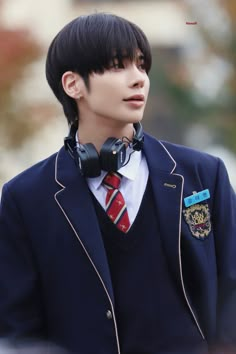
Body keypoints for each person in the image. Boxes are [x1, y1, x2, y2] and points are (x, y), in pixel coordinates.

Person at [0, 12, 236, 354]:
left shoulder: (203, 173)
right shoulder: (25, 198)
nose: (138, 78)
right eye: (117, 66)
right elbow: (18, 328)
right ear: (73, 84)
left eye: (141, 65)